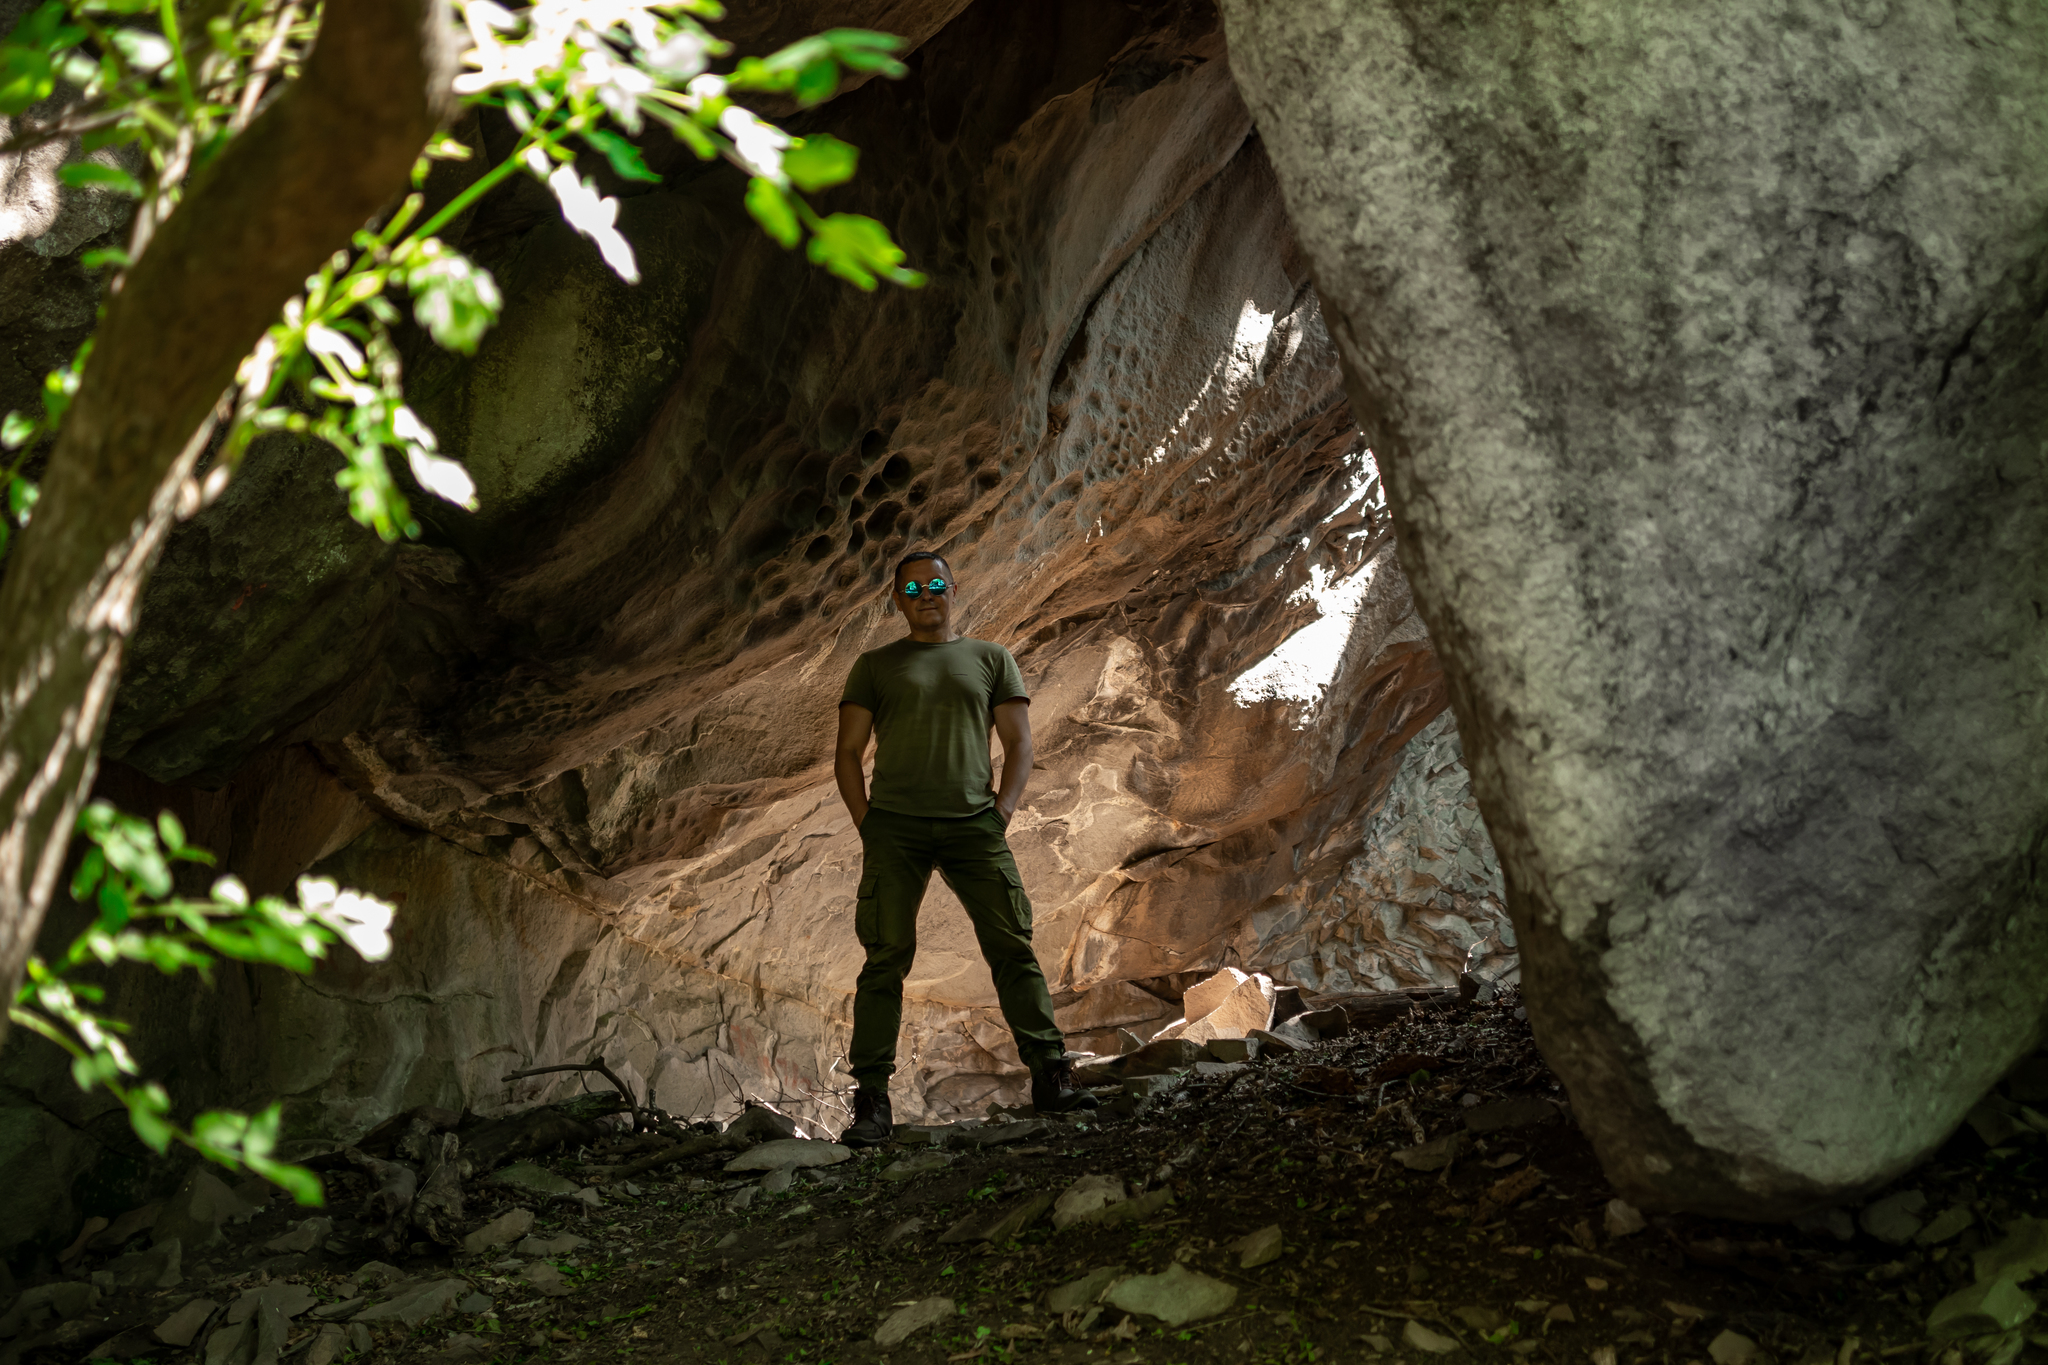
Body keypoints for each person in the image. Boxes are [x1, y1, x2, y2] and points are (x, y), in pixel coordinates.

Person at [833, 550, 1098, 1147]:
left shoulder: (991, 659)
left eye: (937, 584)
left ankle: (1052, 1076)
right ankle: (872, 1102)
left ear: (954, 590)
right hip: (895, 828)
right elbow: (848, 752)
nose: (927, 594)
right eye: (914, 587)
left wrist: (1001, 812)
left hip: (974, 824)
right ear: (898, 601)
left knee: (1011, 945)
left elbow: (1019, 742)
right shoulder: (874, 666)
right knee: (885, 959)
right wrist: (866, 822)